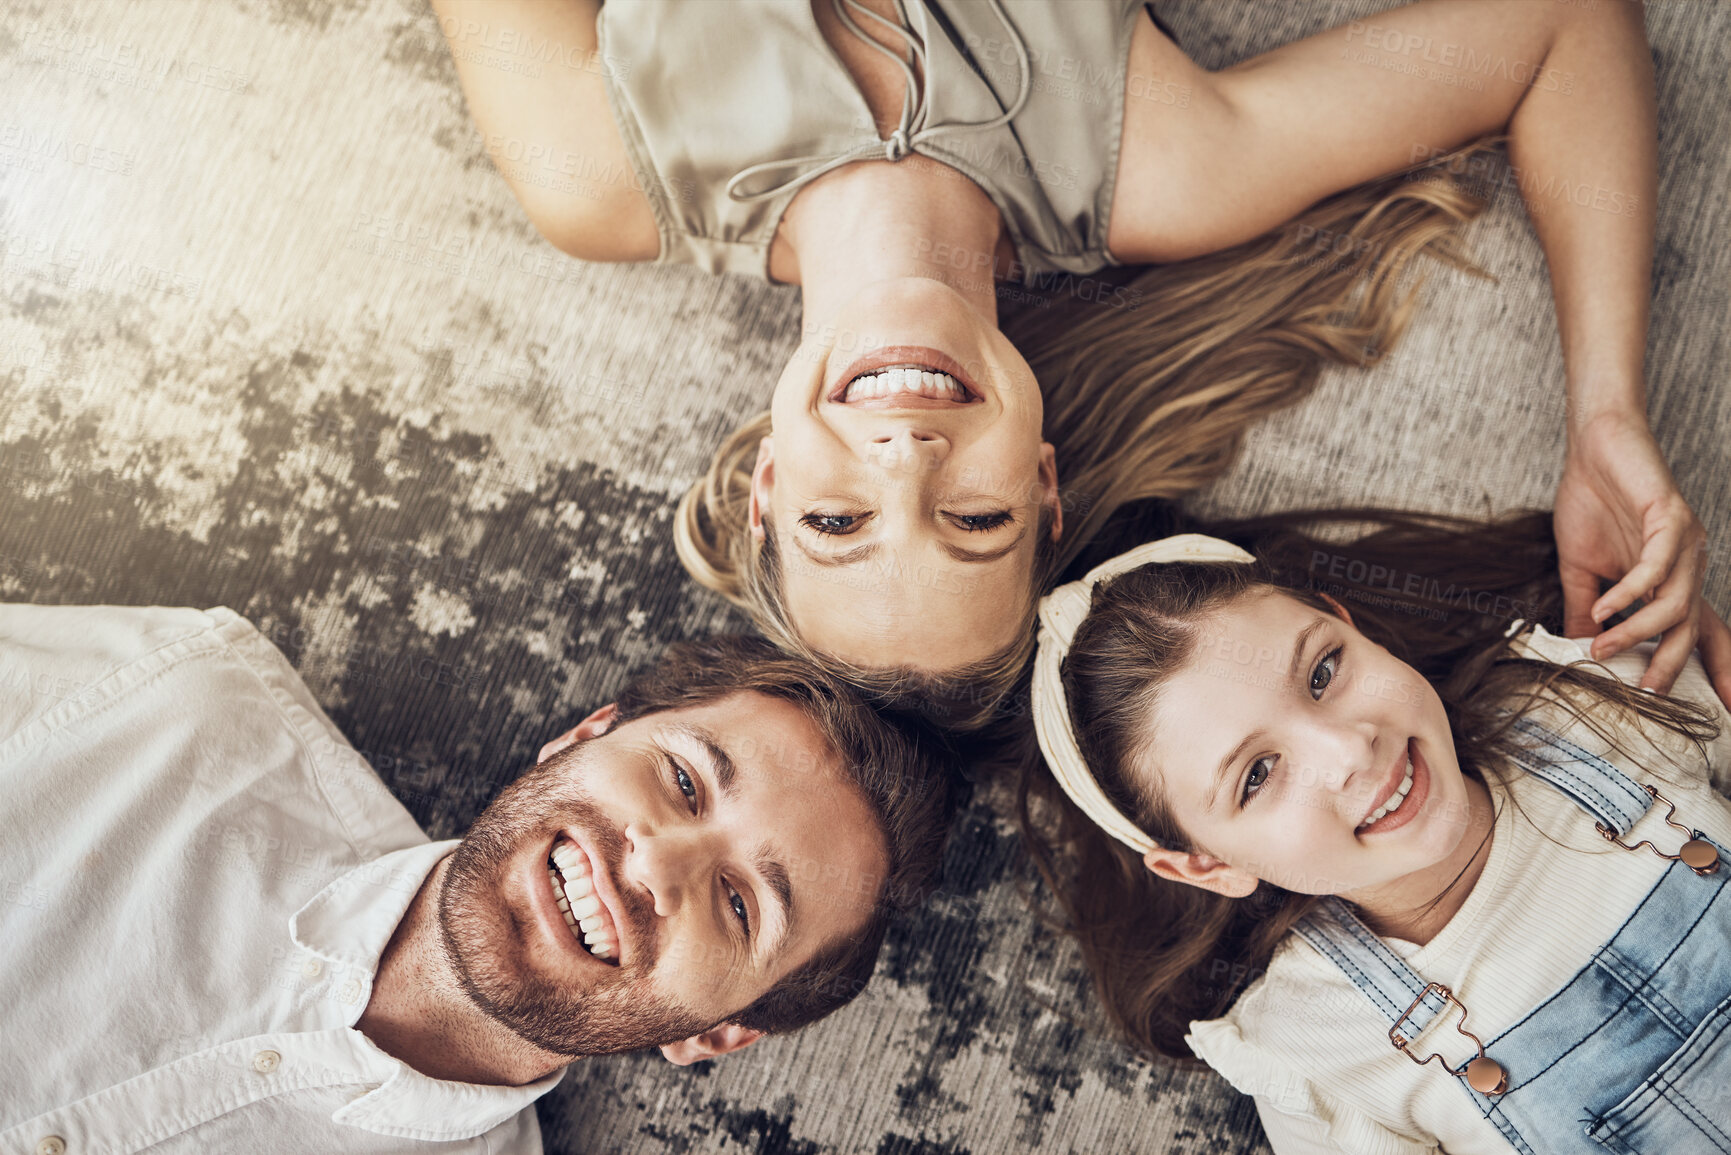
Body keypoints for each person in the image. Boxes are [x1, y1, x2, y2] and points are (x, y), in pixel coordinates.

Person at [427, 0, 1727, 718]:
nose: (903, 458)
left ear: (763, 481)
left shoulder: (595, 174)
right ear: (1043, 480)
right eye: (971, 518)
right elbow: (1559, 34)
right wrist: (1605, 410)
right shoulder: (1165, 164)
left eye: (838, 519)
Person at [0, 604, 953, 1154]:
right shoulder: (173, 702)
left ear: (718, 1031)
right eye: (681, 778)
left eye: (741, 904)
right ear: (584, 733)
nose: (655, 861)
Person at [1017, 512, 1731, 1154]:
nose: (1349, 752)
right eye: (1257, 775)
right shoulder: (1312, 1053)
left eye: (1323, 671)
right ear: (1207, 866)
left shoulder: (1580, 701)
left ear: (1349, 622)